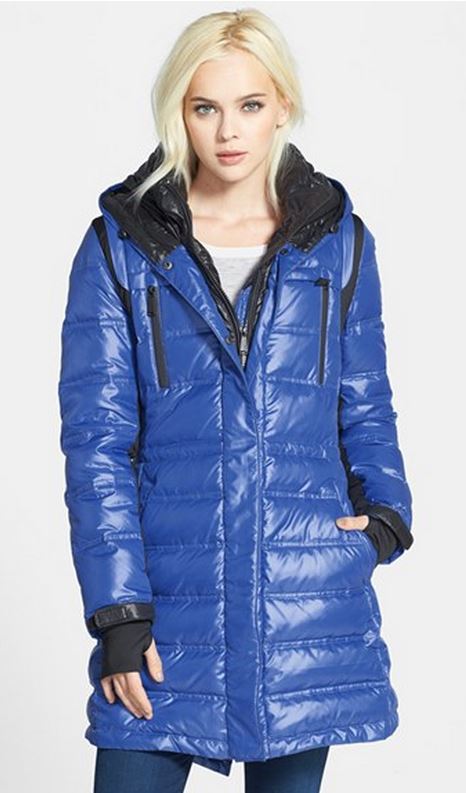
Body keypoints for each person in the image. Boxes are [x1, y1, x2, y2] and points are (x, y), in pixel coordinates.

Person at [58, 9, 414, 793]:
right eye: (205, 107)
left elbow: (367, 403)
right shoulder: (122, 246)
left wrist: (385, 515)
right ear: (178, 112)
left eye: (250, 104)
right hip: (166, 609)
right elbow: (97, 443)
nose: (228, 131)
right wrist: (119, 613)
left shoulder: (340, 243)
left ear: (283, 105)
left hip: (301, 602)